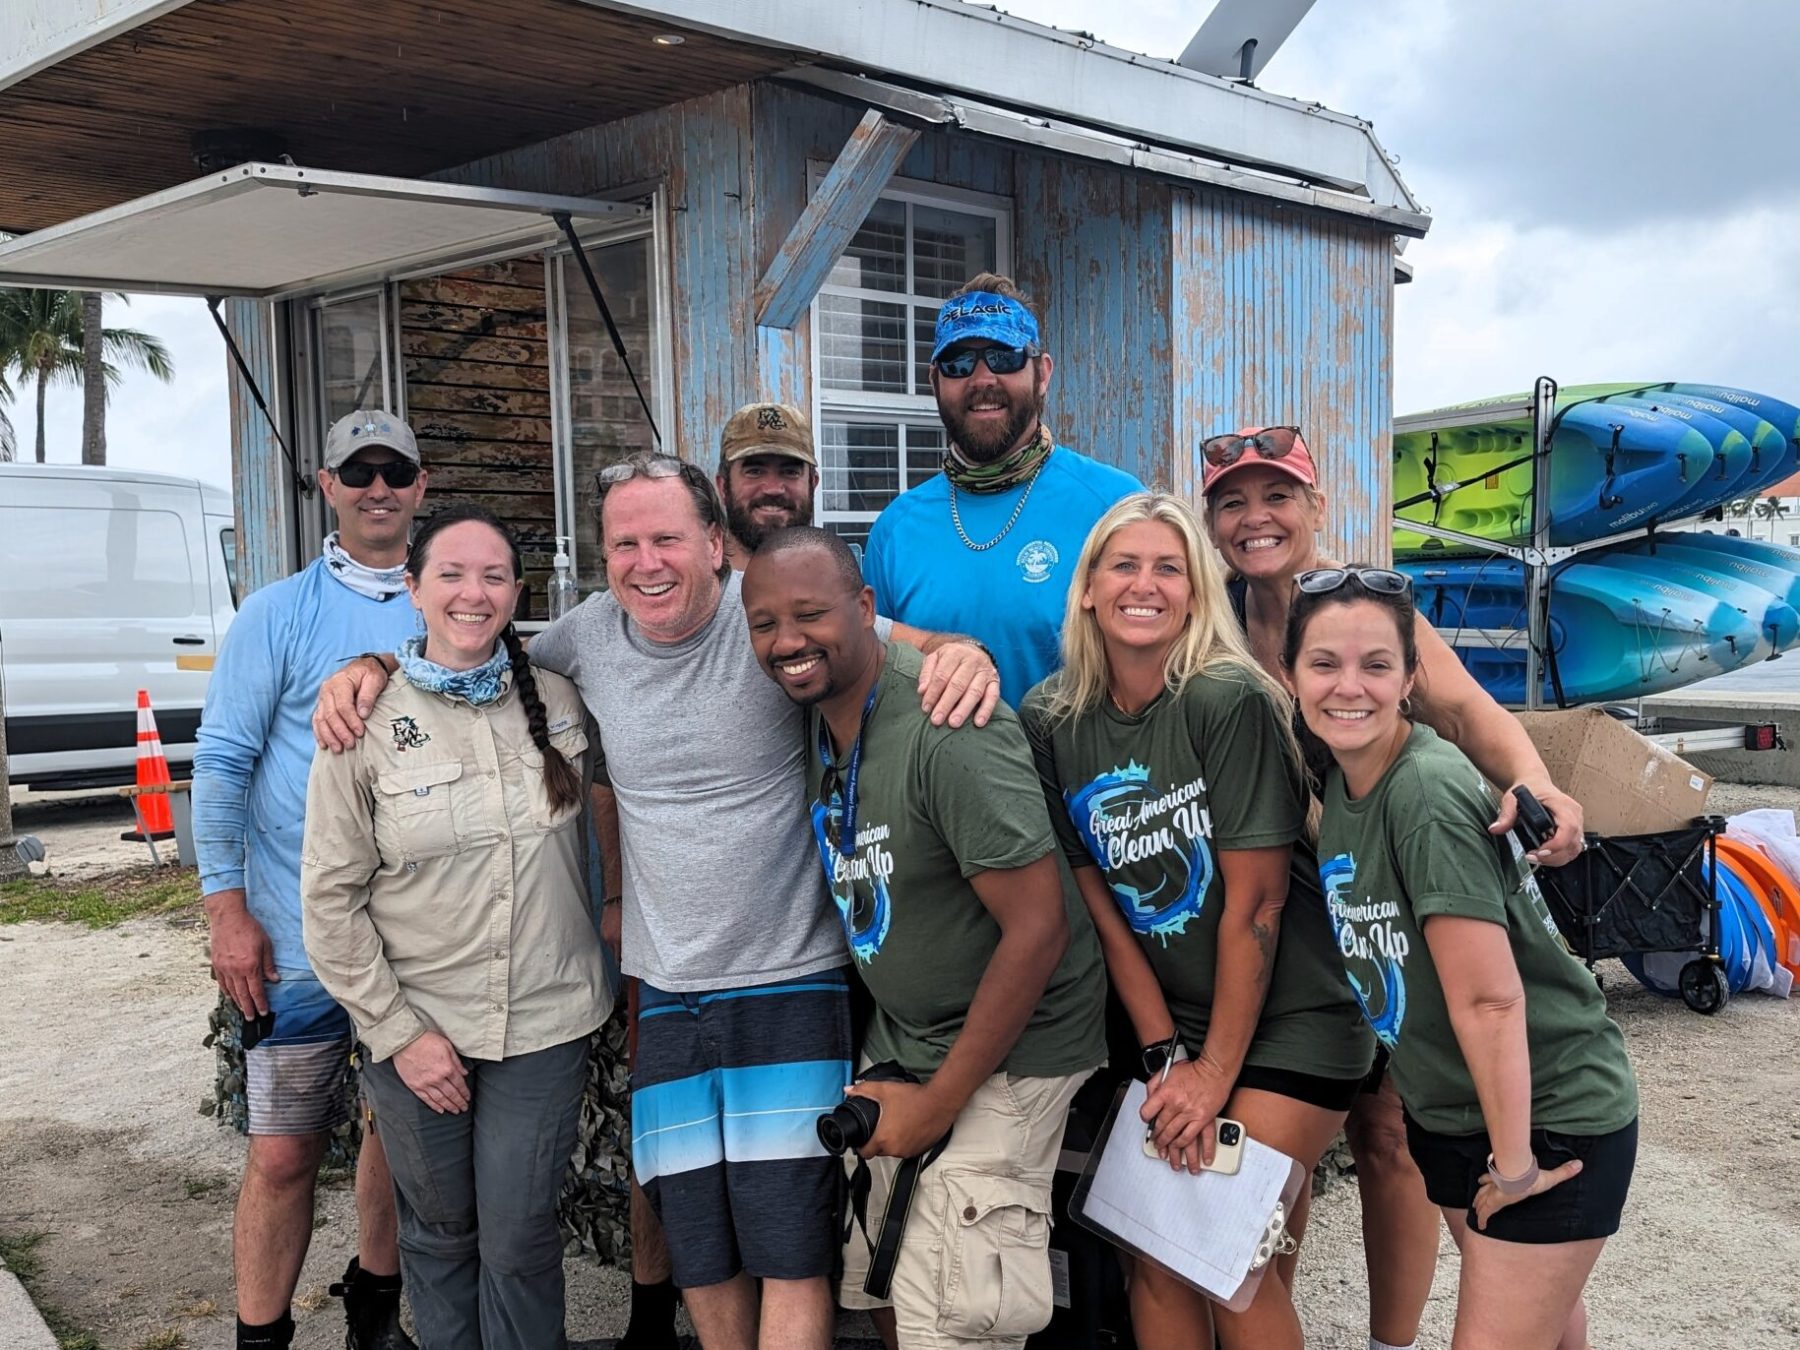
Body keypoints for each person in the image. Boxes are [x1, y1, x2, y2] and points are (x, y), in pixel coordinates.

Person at [311, 453, 1000, 1350]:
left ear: (716, 544)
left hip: (790, 980)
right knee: (703, 1256)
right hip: (666, 990)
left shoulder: (771, 621)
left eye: (668, 538)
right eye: (625, 544)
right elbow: (475, 644)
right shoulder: (588, 639)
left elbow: (894, 644)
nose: (647, 562)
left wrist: (965, 655)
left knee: (792, 1250)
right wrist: (369, 665)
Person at [1199, 426, 1588, 1350]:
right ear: (1211, 521)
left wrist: (1537, 784)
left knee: (1396, 1131)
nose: (1257, 519)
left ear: (1315, 506)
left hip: (1394, 887)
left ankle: (1395, 1340)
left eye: (1277, 497)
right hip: (1293, 896)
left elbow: (1463, 708)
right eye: (1233, 502)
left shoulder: (1369, 605)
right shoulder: (1208, 615)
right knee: (1277, 1143)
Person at [1021, 493, 1375, 1350]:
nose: (1146, 585)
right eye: (1125, 565)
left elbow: (1257, 905)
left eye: (1169, 567)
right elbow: (1098, 906)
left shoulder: (1228, 699)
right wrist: (1161, 1057)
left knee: (1219, 1254)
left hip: (1296, 1017)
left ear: (1194, 592)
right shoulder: (1049, 719)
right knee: (1156, 1255)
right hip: (1177, 1022)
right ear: (1087, 590)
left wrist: (1212, 1072)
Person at [744, 527, 1108, 1350]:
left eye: (809, 615)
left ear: (867, 610)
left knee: (955, 1317)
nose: (787, 641)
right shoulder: (822, 713)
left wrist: (940, 1105)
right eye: (764, 624)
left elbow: (1039, 927)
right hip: (905, 1040)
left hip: (1017, 1051)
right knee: (876, 1278)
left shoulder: (950, 726)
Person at [1282, 566, 1638, 1350]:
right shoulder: (1347, 785)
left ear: (1413, 677)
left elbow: (1491, 1001)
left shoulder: (1426, 792)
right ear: (1290, 675)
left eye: (1377, 665)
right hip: (1452, 1117)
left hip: (1544, 1121)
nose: (1350, 687)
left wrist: (1514, 1166)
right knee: (1545, 1322)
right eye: (1324, 664)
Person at [299, 505, 609, 1349]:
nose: (473, 593)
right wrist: (400, 1035)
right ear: (412, 588)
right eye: (451, 574)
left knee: (518, 1240)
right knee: (437, 1237)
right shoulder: (360, 723)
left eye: (495, 575)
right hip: (418, 1024)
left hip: (545, 1019)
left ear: (517, 591)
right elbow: (329, 902)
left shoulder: (561, 696)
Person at [192, 408, 424, 1350]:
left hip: (418, 943)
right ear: (326, 487)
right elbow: (220, 762)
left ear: (420, 485)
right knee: (285, 1151)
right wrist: (224, 910)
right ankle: (261, 1334)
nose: (377, 488)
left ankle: (375, 1306)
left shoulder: (449, 601)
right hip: (295, 942)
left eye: (394, 471)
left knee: (401, 1142)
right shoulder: (276, 613)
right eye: (356, 472)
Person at [862, 273, 1144, 706]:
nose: (982, 379)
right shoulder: (896, 529)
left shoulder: (1115, 505)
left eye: (1003, 357)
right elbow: (872, 679)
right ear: (935, 381)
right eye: (958, 364)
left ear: (1042, 373)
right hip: (941, 771)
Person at [716, 401, 820, 570]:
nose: (773, 489)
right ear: (723, 486)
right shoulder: (697, 591)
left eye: (790, 472)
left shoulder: (833, 589)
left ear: (812, 484)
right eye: (755, 471)